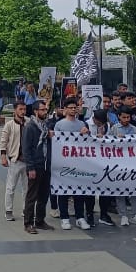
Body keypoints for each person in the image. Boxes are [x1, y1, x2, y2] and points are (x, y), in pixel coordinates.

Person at [54, 96, 91, 230]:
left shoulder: (82, 124)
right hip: (63, 163)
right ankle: (64, 217)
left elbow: (88, 143)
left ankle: (80, 217)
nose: (73, 110)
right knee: (63, 191)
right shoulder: (59, 124)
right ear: (65, 109)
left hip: (79, 163)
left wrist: (87, 133)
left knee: (79, 191)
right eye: (70, 108)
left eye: (75, 108)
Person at [22, 100, 54, 234]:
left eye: (45, 110)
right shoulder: (30, 127)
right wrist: (31, 168)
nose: (45, 112)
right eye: (42, 110)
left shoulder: (45, 126)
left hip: (46, 164)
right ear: (35, 111)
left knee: (43, 195)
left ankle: (40, 220)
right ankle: (28, 223)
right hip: (35, 165)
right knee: (32, 196)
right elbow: (26, 149)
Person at [0, 101, 29, 222]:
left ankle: (25, 210)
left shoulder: (29, 123)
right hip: (15, 159)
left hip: (27, 161)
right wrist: (3, 156)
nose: (23, 111)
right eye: (20, 109)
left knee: (27, 188)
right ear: (15, 110)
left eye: (24, 109)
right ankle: (8, 210)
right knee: (11, 187)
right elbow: (3, 140)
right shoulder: (10, 125)